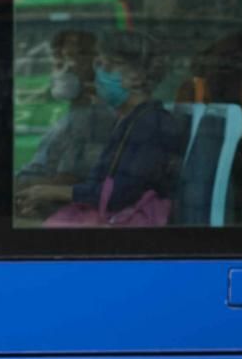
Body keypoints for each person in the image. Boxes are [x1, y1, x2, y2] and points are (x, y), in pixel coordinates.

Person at [15, 31, 183, 223]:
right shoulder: (127, 120)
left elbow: (117, 194)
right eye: (99, 65)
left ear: (138, 77)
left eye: (109, 67)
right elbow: (100, 187)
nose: (100, 74)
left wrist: (50, 191)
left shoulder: (150, 125)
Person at [14, 29, 115, 189]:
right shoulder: (75, 115)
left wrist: (18, 187)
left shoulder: (93, 118)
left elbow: (71, 181)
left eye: (69, 59)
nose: (60, 70)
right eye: (57, 61)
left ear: (95, 62)